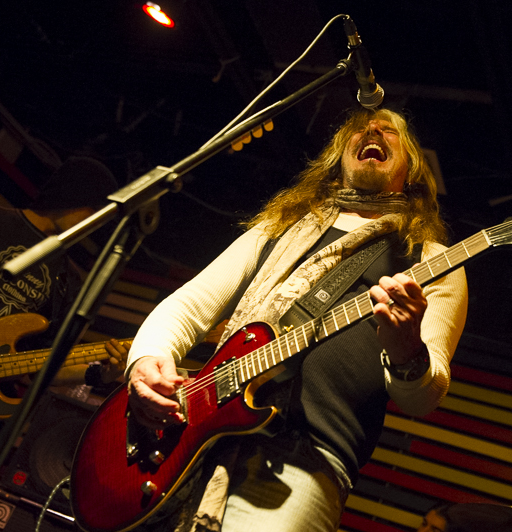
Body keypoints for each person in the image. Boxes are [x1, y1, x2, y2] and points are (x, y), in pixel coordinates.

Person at [124, 107, 469, 532]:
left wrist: (407, 350)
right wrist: (146, 360)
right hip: (194, 445)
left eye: (391, 130)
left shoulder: (432, 261)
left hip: (307, 461)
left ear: (413, 168)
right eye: (360, 127)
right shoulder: (283, 226)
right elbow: (190, 304)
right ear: (339, 156)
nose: (373, 129)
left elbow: (424, 399)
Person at [0, 156, 128, 528]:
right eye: (91, 212)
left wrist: (100, 372)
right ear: (76, 199)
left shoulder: (68, 282)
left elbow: (43, 364)